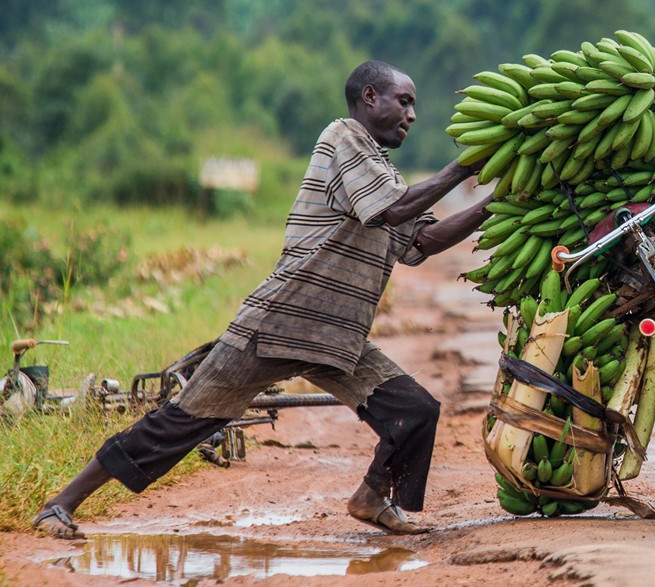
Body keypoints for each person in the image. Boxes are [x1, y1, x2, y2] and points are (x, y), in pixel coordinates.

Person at [33, 61, 491, 539]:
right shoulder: (344, 139)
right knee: (181, 422)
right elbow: (394, 210)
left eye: (414, 105)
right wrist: (463, 168)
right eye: (405, 101)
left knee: (415, 411)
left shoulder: (382, 172)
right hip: (278, 323)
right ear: (370, 96)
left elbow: (424, 242)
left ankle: (372, 497)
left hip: (336, 336)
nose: (412, 115)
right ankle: (59, 505)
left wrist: (494, 203)